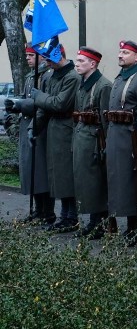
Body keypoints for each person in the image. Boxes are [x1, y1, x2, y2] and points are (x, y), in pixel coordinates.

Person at [30, 45, 79, 232]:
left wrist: (39, 96)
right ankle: (64, 215)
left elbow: (59, 103)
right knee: (58, 175)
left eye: (50, 59)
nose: (47, 63)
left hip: (66, 128)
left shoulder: (72, 77)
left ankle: (71, 216)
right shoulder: (53, 76)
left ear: (60, 56)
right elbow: (45, 107)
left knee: (67, 175)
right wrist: (34, 128)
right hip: (53, 128)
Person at [106, 40, 137, 245]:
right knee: (120, 181)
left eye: (125, 52)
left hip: (130, 135)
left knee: (134, 182)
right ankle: (130, 227)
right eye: (120, 51)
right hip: (116, 135)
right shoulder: (120, 78)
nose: (120, 55)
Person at [3, 44, 53, 223]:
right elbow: (28, 99)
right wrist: (16, 106)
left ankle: (47, 211)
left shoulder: (46, 76)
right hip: (28, 126)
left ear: (40, 56)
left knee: (41, 173)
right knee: (31, 171)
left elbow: (43, 104)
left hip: (40, 128)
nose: (27, 59)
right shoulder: (31, 76)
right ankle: (38, 210)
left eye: (31, 56)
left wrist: (21, 104)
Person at [71, 47, 113, 238]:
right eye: (77, 61)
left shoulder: (103, 86)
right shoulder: (83, 83)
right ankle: (94, 221)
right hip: (82, 136)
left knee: (97, 182)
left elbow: (106, 120)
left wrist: (105, 146)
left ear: (93, 64)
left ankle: (101, 223)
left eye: (81, 61)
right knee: (87, 182)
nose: (77, 64)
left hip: (96, 139)